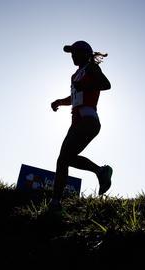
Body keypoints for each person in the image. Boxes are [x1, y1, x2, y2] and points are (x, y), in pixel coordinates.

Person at [50, 40, 112, 211]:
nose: (72, 56)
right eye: (71, 53)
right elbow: (75, 95)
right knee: (66, 159)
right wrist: (59, 102)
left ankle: (55, 202)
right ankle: (100, 171)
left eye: (75, 53)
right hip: (77, 121)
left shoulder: (92, 68)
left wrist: (84, 84)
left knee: (63, 159)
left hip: (89, 120)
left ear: (85, 53)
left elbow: (106, 85)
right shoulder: (75, 75)